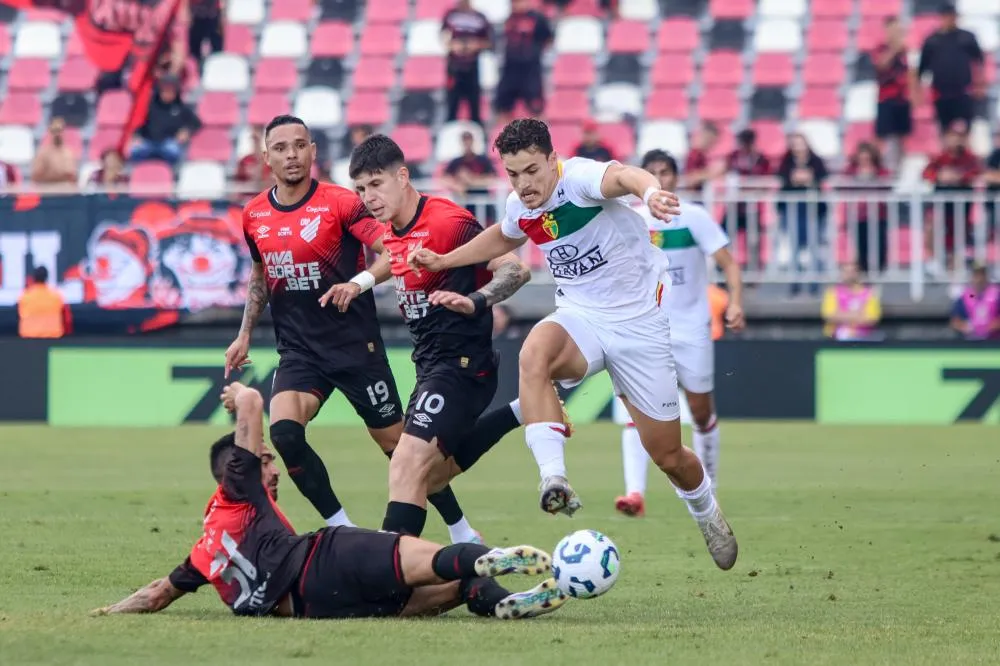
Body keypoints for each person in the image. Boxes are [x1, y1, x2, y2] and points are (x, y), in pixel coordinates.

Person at [409, 119, 739, 571]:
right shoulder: (521, 204)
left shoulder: (580, 178)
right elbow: (505, 234)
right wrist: (445, 260)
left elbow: (624, 175)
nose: (523, 184)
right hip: (581, 316)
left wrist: (649, 192)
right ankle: (554, 479)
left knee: (668, 454)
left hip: (639, 324)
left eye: (531, 170)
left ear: (552, 160)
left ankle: (706, 511)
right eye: (513, 174)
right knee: (533, 353)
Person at [90, 382, 566, 621]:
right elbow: (255, 401)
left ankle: (511, 603)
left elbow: (156, 595)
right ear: (239, 469)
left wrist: (108, 613)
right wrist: (237, 394)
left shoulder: (203, 553)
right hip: (327, 559)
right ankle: (495, 557)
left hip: (320, 606)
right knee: (439, 559)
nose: (273, 470)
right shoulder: (238, 488)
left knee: (457, 586)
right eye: (266, 461)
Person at [225, 115, 482, 545]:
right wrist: (245, 332)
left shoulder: (341, 203)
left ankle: (461, 529)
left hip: (354, 348)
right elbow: (260, 274)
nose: (292, 154)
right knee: (285, 433)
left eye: (300, 145)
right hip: (299, 352)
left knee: (399, 449)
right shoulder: (254, 215)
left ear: (312, 152)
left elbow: (391, 250)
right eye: (282, 147)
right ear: (266, 156)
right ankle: (342, 529)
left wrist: (359, 281)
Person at [327, 134, 534, 539]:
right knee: (433, 474)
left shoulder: (447, 222)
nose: (368, 197)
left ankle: (388, 572)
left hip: (461, 366)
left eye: (376, 184)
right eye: (361, 189)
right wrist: (361, 282)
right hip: (429, 365)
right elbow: (396, 257)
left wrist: (475, 300)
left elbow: (516, 270)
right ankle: (517, 414)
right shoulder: (394, 231)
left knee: (404, 462)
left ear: (402, 177)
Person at [612, 149, 745, 518]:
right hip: (648, 329)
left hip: (692, 328)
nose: (660, 178)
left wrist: (735, 303)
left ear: (675, 177)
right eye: (652, 172)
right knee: (637, 412)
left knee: (701, 414)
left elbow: (729, 265)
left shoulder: (695, 217)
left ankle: (710, 487)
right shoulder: (631, 220)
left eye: (666, 172)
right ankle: (634, 493)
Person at [915, 3, 984, 135]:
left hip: (963, 92)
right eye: (947, 16)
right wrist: (918, 93)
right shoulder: (931, 41)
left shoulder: (967, 37)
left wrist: (980, 85)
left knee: (965, 129)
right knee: (944, 129)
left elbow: (979, 61)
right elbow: (922, 69)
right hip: (941, 93)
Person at [820, 262, 882, 341]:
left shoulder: (869, 293)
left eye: (852, 272)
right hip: (834, 338)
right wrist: (858, 314)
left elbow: (872, 318)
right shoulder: (832, 292)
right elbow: (829, 315)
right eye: (846, 272)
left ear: (858, 273)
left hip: (864, 338)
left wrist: (841, 314)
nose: (849, 275)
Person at [950, 264, 1000, 340]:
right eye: (976, 275)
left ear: (986, 277)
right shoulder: (966, 296)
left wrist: (987, 328)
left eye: (981, 275)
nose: (979, 279)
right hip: (971, 342)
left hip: (994, 342)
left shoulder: (996, 294)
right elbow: (955, 321)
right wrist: (966, 327)